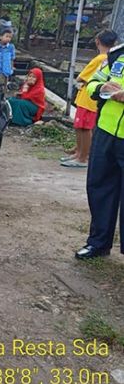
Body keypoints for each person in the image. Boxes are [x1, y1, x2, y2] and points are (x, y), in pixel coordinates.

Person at [75, 40, 124, 260]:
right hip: (105, 132)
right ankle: (98, 242)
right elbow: (94, 81)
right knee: (99, 187)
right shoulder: (117, 56)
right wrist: (102, 88)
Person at [61, 30, 118, 168]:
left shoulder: (100, 59)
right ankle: (79, 153)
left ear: (97, 41)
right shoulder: (110, 58)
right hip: (88, 98)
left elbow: (82, 77)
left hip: (88, 98)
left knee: (84, 128)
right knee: (80, 127)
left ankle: (82, 157)